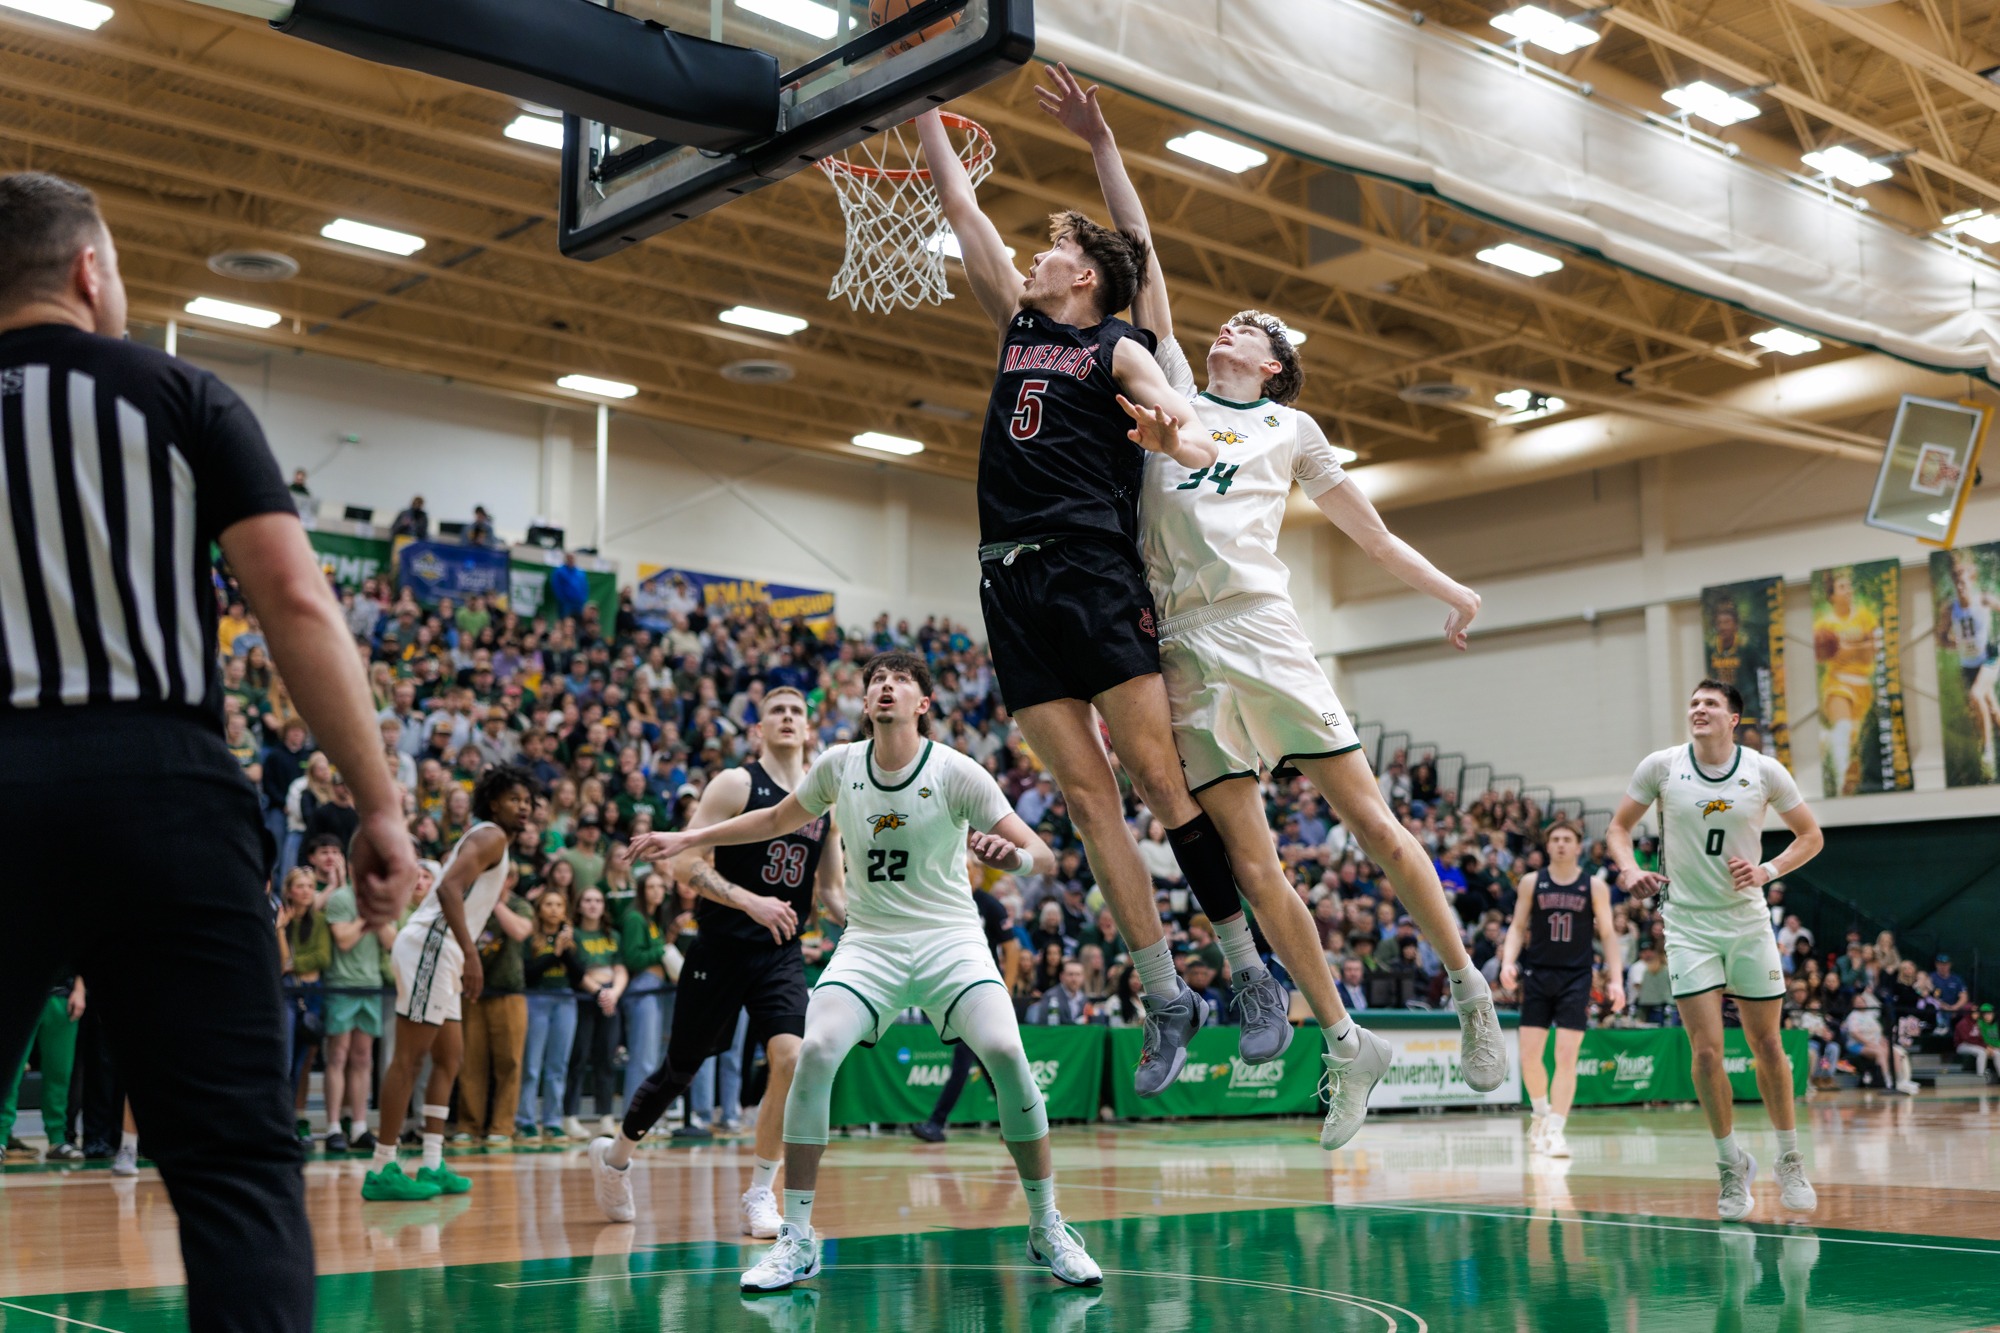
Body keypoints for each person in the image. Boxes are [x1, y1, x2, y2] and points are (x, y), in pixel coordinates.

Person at [1036, 62, 1505, 1123]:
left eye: (1252, 326)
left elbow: (1371, 536)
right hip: (1181, 643)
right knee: (1252, 864)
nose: (1230, 327)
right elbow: (1141, 249)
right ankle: (1343, 1040)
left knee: (1373, 822)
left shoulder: (1291, 429)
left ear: (1276, 364)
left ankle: (1468, 987)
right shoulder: (1168, 384)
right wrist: (1102, 142)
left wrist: (1453, 591)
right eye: (1230, 320)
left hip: (1262, 628)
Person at [0, 172, 416, 1333]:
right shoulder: (178, 393)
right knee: (234, 1165)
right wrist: (377, 806)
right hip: (164, 791)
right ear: (89, 270)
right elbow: (293, 597)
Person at [916, 108, 1259, 1103]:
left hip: (1092, 570)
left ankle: (1244, 966)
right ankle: (1165, 994)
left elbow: (1193, 429)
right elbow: (960, 206)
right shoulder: (1018, 324)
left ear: (1085, 277)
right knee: (1083, 795)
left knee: (1156, 779)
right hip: (1007, 578)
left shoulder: (1119, 347)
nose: (1035, 253)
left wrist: (1173, 438)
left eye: (1053, 247)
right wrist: (915, 103)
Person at [627, 652, 1103, 1291]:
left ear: (922, 704)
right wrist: (688, 839)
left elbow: (1042, 854)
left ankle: (1046, 1225)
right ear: (865, 700)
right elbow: (773, 820)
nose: (885, 686)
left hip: (949, 939)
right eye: (877, 679)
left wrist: (1010, 857)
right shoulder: (839, 765)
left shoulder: (956, 770)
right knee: (815, 1050)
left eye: (900, 680)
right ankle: (797, 1238)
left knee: (1006, 1052)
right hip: (871, 942)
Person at [591, 687, 844, 1238]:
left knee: (790, 1058)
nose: (787, 717)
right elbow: (684, 864)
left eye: (796, 712)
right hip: (720, 946)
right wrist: (750, 901)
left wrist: (874, 923)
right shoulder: (736, 783)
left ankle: (760, 1193)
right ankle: (616, 1157)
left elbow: (832, 891)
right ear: (758, 729)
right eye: (776, 711)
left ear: (809, 729)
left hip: (779, 952)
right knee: (679, 1070)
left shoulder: (824, 798)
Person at [1607, 680, 1824, 1220]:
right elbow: (1618, 828)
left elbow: (1810, 836)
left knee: (1767, 1045)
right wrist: (1630, 870)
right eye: (1694, 703)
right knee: (1705, 1053)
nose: (1699, 710)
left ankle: (1789, 1158)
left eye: (1711, 704)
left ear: (1734, 719)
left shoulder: (1764, 771)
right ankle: (1731, 1165)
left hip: (1747, 923)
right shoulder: (1661, 766)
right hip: (1686, 925)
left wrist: (1768, 870)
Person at [365, 765, 534, 1200]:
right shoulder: (490, 835)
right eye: (514, 799)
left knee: (449, 1058)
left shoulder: (492, 839)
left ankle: (432, 1162)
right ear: (493, 802)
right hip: (433, 946)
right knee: (409, 1059)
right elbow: (447, 890)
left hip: (445, 952)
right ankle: (382, 1167)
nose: (524, 807)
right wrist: (471, 954)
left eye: (528, 801)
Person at [1499, 822, 1624, 1159]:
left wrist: (1616, 979)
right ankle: (1540, 1113)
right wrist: (1508, 962)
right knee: (1529, 1056)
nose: (1561, 844)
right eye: (1555, 839)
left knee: (1566, 1056)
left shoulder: (1594, 886)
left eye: (1567, 839)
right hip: (1538, 974)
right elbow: (1517, 927)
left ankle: (1556, 1128)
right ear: (1547, 846)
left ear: (1578, 847)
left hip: (1576, 977)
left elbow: (1608, 934)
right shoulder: (1532, 882)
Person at [913, 853, 1025, 1144]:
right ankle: (1018, 1120)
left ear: (978, 873)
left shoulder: (989, 905)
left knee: (966, 1055)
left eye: (968, 867)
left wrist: (1007, 988)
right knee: (988, 1061)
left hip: (983, 991)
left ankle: (936, 1123)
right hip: (955, 988)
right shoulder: (945, 901)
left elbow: (1012, 949)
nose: (963, 872)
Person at [320, 871, 397, 1153]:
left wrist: (377, 916)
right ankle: (333, 1127)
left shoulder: (382, 899)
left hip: (371, 985)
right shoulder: (341, 898)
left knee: (363, 1057)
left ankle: (359, 1126)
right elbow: (343, 939)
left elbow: (392, 942)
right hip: (341, 984)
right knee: (338, 1055)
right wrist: (367, 917)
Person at [0, 974, 84, 1160]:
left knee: (60, 1073)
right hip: (20, 996)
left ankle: (57, 1139)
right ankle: (1, 1138)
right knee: (10, 1072)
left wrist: (79, 990)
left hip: (62, 996)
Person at [1816, 568, 1879, 797]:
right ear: (1831, 595)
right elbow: (1826, 656)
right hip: (1837, 684)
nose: (1848, 590)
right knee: (1843, 730)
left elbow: (1873, 651)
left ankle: (1826, 740)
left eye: (1849, 586)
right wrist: (1860, 646)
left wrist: (1847, 649)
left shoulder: (1864, 616)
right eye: (1842, 587)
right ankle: (1841, 783)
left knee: (1856, 741)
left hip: (1864, 685)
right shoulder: (1824, 625)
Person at [1940, 554, 2000, 781]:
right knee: (1992, 710)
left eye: (1964, 582)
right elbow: (1940, 637)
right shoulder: (1950, 609)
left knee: (1976, 695)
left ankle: (1987, 749)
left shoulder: (1983, 600)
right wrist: (1952, 643)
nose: (1960, 587)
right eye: (1957, 582)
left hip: (1990, 657)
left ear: (1972, 580)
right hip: (1969, 665)